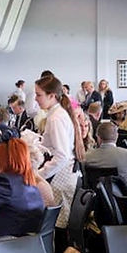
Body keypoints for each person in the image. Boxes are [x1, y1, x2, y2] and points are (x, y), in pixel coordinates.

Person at [35, 74, 79, 227]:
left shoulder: (56, 118)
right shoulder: (55, 114)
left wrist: (39, 175)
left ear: (51, 96)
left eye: (39, 95)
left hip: (61, 177)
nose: (36, 99)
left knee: (56, 227)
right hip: (62, 173)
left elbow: (62, 155)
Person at [85, 121, 127, 191]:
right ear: (117, 136)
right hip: (126, 196)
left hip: (96, 196)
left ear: (98, 137)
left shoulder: (87, 156)